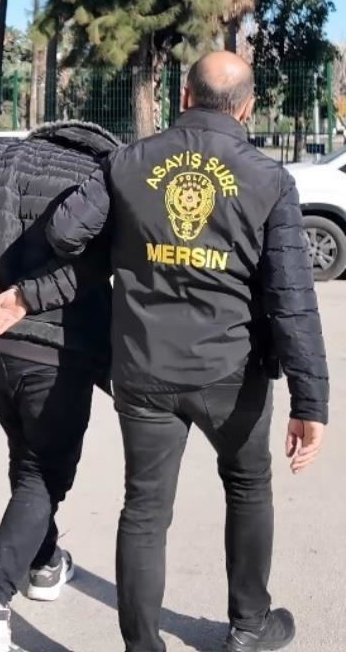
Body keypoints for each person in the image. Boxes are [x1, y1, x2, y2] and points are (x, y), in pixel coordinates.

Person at [45, 51, 330, 652]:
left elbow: (64, 232)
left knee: (145, 509)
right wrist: (312, 401)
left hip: (144, 367)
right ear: (247, 109)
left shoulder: (127, 162)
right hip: (231, 372)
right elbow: (292, 295)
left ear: (184, 97)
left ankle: (142, 646)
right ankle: (249, 626)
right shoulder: (268, 178)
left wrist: (126, 239)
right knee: (247, 487)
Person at [0, 121, 120, 652]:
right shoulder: (102, 176)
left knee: (27, 452)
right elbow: (96, 264)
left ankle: (45, 561)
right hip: (55, 347)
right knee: (45, 472)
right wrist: (30, 297)